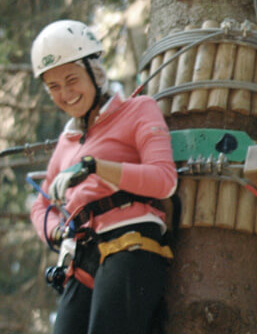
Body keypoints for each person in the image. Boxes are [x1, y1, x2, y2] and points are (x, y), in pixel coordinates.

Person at [28, 20, 178, 334]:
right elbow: (39, 206)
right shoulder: (68, 140)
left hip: (130, 243)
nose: (65, 94)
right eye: (53, 87)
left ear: (95, 73)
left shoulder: (138, 110)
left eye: (72, 80)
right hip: (82, 258)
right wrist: (57, 232)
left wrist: (97, 167)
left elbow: (164, 179)